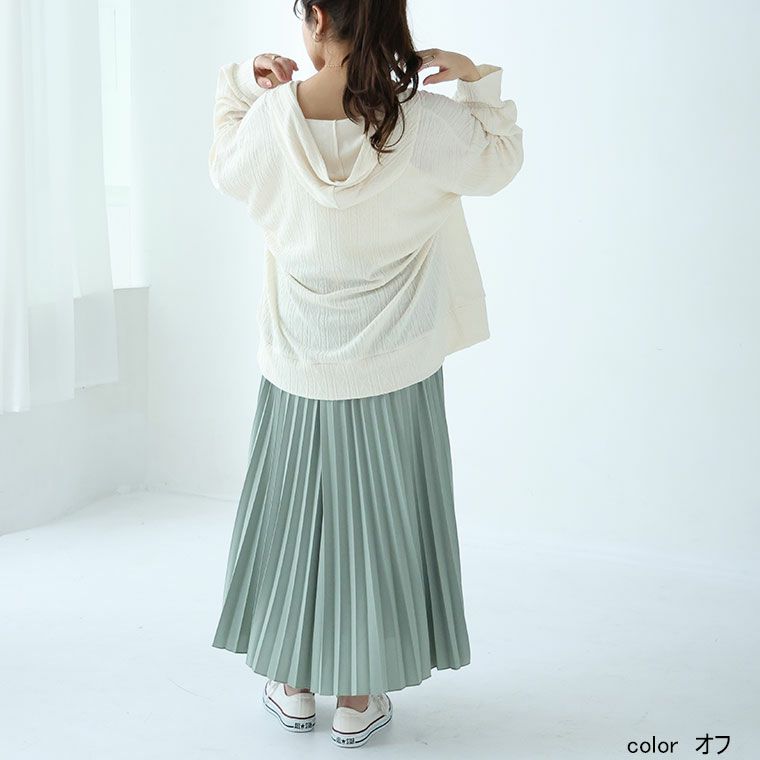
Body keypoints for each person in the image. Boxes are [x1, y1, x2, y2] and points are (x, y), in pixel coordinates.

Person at [208, 0, 523, 748]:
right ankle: (358, 696)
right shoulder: (426, 124)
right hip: (395, 362)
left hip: (299, 360)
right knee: (381, 521)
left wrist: (241, 83)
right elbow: (500, 161)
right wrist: (476, 79)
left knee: (295, 518)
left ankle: (293, 685)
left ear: (316, 16)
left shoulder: (271, 122)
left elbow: (226, 167)